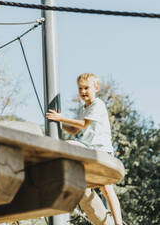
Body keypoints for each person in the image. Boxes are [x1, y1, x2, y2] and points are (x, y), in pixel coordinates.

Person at [46, 73, 123, 225]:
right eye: (80, 89)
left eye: (86, 88)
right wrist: (58, 123)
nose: (83, 92)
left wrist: (61, 118)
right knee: (69, 144)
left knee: (107, 190)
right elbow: (75, 130)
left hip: (101, 151)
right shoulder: (84, 108)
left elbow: (83, 124)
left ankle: (118, 222)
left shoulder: (97, 104)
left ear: (96, 88)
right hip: (89, 149)